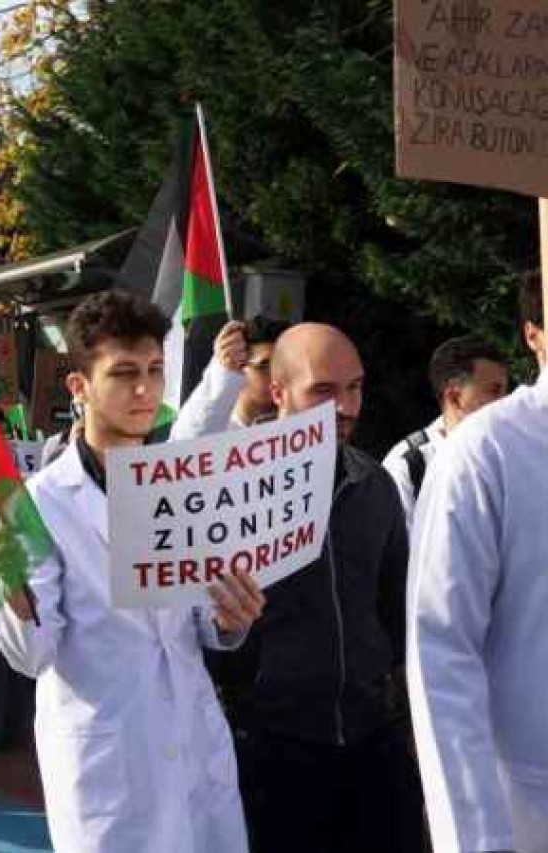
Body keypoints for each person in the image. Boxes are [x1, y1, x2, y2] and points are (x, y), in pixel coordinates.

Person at [0, 290, 264, 853]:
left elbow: (199, 623)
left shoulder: (179, 484)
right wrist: (15, 597)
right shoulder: (40, 503)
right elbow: (33, 657)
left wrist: (230, 620)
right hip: (108, 764)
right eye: (123, 374)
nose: (144, 390)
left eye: (154, 371)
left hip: (193, 745)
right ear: (79, 386)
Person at [220, 323, 421, 853]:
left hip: (374, 743)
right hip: (273, 751)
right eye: (324, 391)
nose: (346, 406)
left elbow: (398, 611)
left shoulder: (373, 484)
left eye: (355, 387)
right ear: (278, 391)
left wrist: (409, 725)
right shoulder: (226, 493)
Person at [407, 272, 548, 853]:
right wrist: (475, 839)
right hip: (527, 807)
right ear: (536, 335)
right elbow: (441, 650)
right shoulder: (489, 449)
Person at [382, 334, 508, 529]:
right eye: (494, 391)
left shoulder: (509, 455)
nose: (505, 402)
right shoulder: (407, 467)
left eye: (505, 392)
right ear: (454, 397)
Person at [232, 316, 290, 428]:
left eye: (284, 365)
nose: (278, 375)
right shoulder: (215, 428)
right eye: (265, 366)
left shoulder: (303, 426)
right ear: (237, 368)